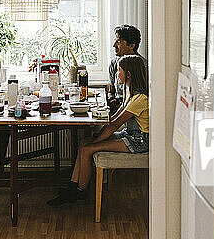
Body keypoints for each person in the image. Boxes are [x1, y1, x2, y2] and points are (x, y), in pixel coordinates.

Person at [47, 54, 149, 207]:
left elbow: (114, 124)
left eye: (119, 70)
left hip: (139, 141)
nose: (116, 74)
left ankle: (79, 191)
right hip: (130, 135)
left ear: (128, 74)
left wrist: (97, 141)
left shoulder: (140, 99)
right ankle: (72, 187)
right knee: (84, 143)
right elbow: (114, 119)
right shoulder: (130, 93)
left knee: (88, 148)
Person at [108, 25, 148, 113]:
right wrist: (111, 98)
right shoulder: (114, 63)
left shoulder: (143, 67)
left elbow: (142, 99)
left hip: (133, 113)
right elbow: (111, 90)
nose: (114, 45)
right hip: (117, 109)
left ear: (131, 46)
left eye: (118, 42)